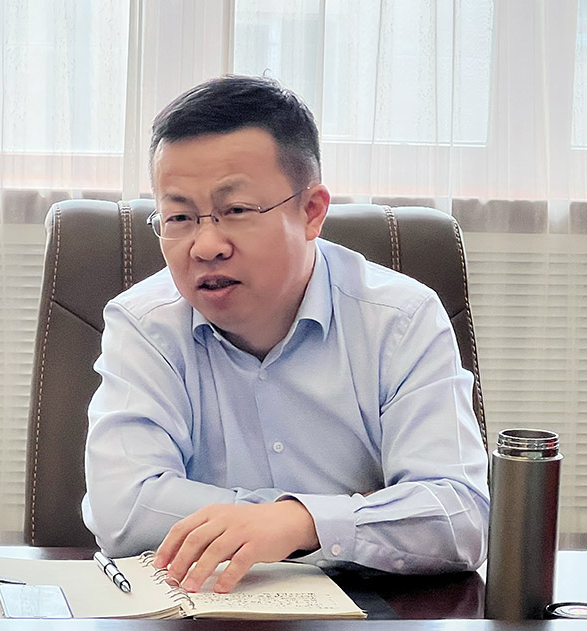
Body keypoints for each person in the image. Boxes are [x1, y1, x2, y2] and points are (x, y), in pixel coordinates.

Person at [82, 75, 490, 594]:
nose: (205, 246)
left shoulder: (399, 320)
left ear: (311, 212)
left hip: (369, 614)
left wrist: (299, 523)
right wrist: (315, 518)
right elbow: (124, 510)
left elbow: (459, 515)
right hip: (201, 612)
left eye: (236, 211)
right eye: (179, 216)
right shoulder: (145, 324)